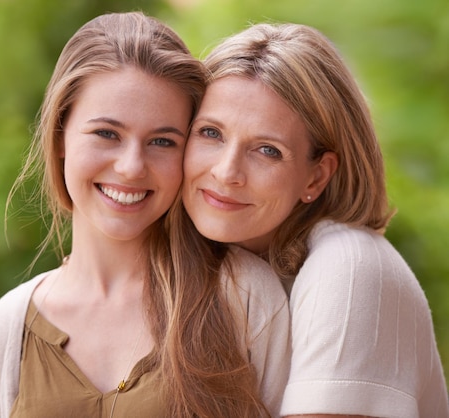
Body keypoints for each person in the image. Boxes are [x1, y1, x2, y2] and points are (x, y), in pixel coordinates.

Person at [0, 12, 290, 418]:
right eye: (107, 134)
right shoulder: (6, 329)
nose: (131, 167)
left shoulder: (244, 298)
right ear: (60, 136)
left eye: (162, 141)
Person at [181, 22, 449, 417]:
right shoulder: (224, 270)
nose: (226, 171)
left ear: (316, 175)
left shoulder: (350, 267)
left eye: (267, 150)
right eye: (210, 133)